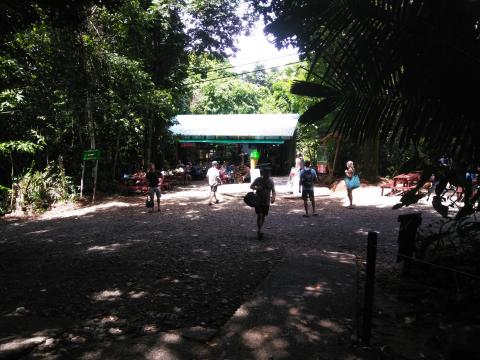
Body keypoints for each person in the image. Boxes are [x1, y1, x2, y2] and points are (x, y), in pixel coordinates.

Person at [250, 165, 276, 239]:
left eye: (268, 173)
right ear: (263, 173)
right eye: (265, 173)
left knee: (263, 215)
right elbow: (251, 186)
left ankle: (260, 229)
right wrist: (257, 187)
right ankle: (259, 230)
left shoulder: (271, 181)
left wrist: (273, 198)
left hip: (266, 201)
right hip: (258, 200)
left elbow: (273, 191)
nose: (267, 174)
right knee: (260, 215)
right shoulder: (258, 180)